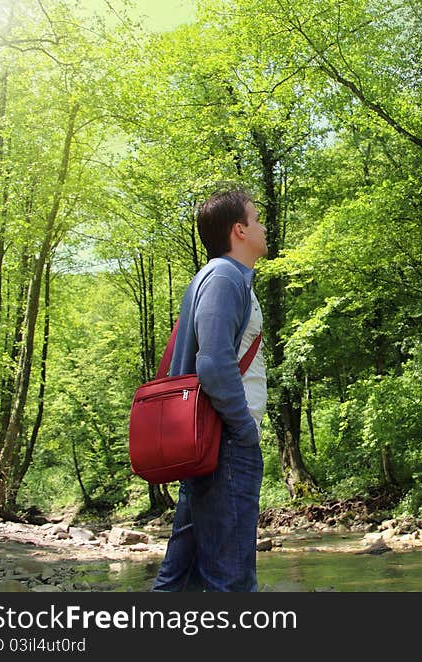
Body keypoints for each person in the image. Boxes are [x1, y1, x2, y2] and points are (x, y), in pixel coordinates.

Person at [152, 186, 267, 592]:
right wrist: (244, 430)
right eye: (257, 219)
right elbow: (214, 363)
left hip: (212, 444)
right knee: (231, 581)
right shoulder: (223, 277)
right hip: (225, 445)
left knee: (181, 578)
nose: (264, 226)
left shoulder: (221, 278)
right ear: (239, 230)